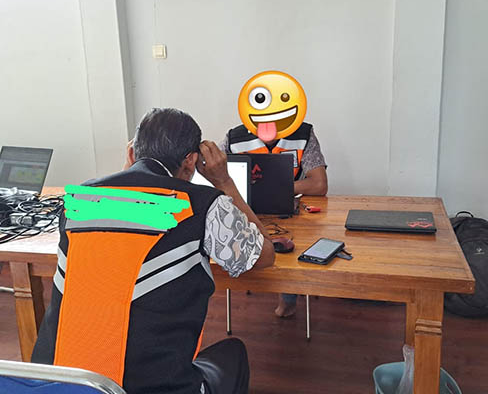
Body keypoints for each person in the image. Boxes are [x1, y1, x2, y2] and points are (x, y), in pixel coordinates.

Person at [32, 108, 276, 394]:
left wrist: (129, 171)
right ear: (191, 161)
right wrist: (224, 181)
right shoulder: (202, 204)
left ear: (132, 153)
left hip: (60, 384)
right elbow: (265, 255)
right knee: (233, 352)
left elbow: (123, 228)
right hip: (154, 387)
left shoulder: (79, 200)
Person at [219, 121, 327, 318]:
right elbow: (214, 175)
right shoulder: (234, 137)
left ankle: (288, 299)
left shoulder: (304, 134)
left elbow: (319, 184)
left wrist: (274, 187)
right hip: (245, 210)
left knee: (291, 244)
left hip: (286, 210)